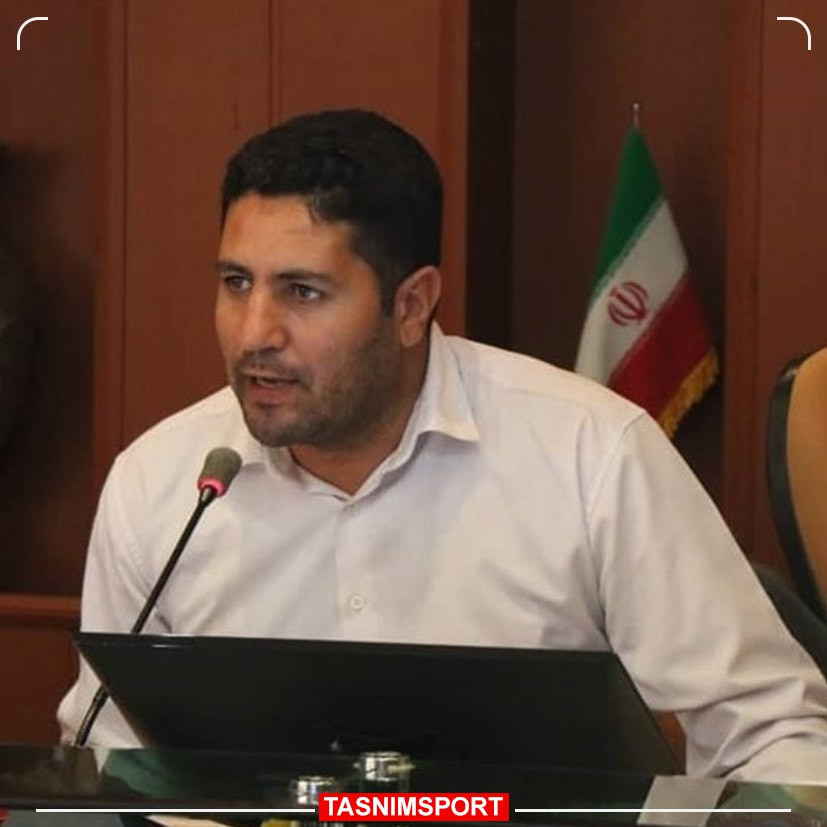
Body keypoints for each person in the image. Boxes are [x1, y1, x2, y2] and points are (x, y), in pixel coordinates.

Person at [58, 109, 827, 781]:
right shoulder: (161, 483)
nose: (254, 332)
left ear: (411, 304)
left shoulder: (591, 455)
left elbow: (776, 737)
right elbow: (107, 761)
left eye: (302, 291)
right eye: (235, 283)